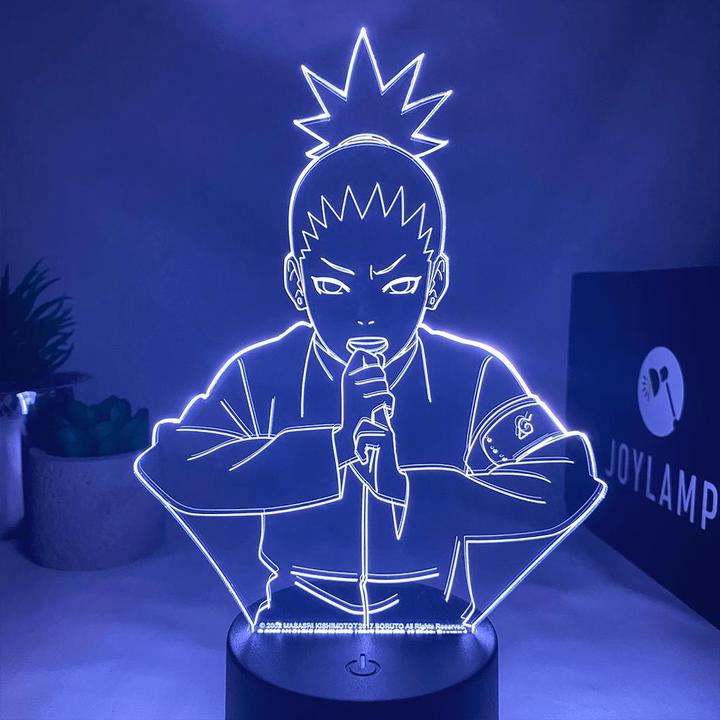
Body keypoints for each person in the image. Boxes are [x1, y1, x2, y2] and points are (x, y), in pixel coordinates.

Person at [135, 31, 605, 630]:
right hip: (293, 612)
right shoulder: (262, 374)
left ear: (436, 280)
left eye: (398, 285)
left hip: (435, 614)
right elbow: (175, 463)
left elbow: (562, 480)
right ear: (295, 282)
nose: (365, 313)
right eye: (333, 287)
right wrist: (332, 448)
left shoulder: (472, 376)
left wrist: (409, 488)